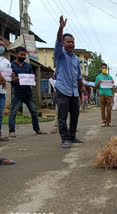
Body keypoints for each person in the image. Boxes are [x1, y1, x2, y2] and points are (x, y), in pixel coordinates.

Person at [54, 16, 87, 148]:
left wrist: (82, 87)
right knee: (62, 117)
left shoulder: (76, 59)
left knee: (75, 115)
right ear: (63, 43)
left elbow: (78, 75)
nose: (71, 44)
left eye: (73, 42)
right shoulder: (60, 54)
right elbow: (57, 40)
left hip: (74, 91)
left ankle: (72, 136)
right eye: (68, 42)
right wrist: (61, 28)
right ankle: (65, 139)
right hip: (62, 90)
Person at [9, 46, 47, 137]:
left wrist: (31, 79)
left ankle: (37, 129)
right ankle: (11, 131)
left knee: (34, 112)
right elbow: (10, 79)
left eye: (24, 55)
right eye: (21, 54)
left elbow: (30, 77)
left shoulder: (28, 65)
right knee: (13, 112)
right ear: (16, 54)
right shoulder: (11, 65)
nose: (23, 56)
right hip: (17, 92)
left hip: (28, 93)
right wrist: (14, 79)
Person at [0, 38, 10, 141]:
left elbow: (9, 77)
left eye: (3, 45)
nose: (1, 47)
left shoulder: (6, 62)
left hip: (1, 91)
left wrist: (11, 77)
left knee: (0, 115)